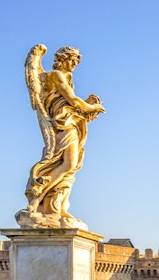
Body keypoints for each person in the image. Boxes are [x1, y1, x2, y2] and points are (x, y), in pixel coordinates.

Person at [18, 45, 105, 229]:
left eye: (76, 62)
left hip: (69, 123)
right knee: (68, 164)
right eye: (72, 60)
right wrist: (93, 107)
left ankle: (56, 207)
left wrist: (87, 109)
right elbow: (73, 101)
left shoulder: (66, 78)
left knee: (70, 166)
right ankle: (36, 200)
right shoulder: (56, 75)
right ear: (63, 59)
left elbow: (71, 104)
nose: (74, 64)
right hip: (62, 125)